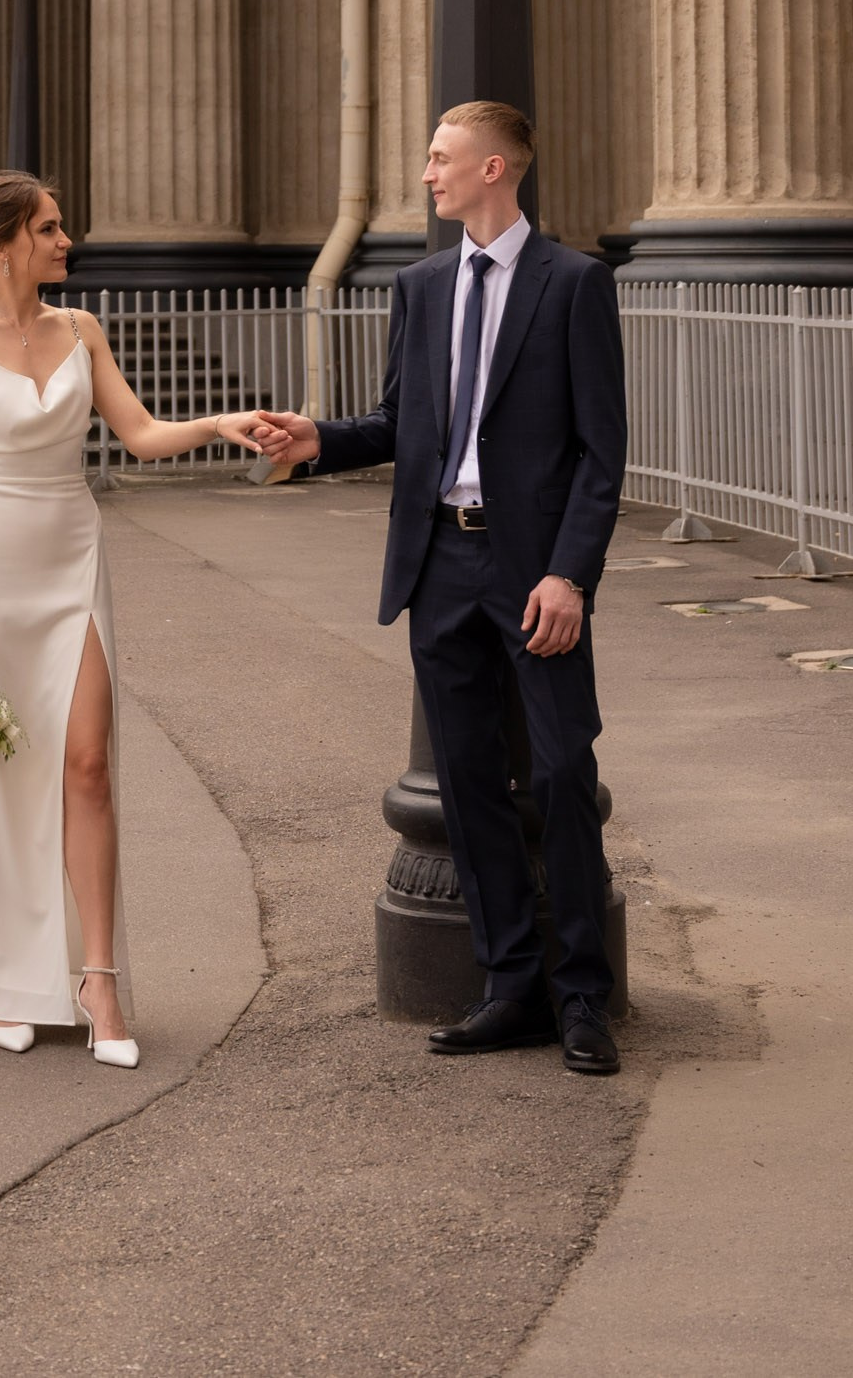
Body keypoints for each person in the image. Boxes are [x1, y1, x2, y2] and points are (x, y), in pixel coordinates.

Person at [250, 101, 627, 1076]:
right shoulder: (419, 285)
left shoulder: (573, 282)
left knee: (558, 774)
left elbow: (598, 451)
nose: (426, 173)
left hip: (533, 569)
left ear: (494, 166)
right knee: (465, 785)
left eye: (439, 157)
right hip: (440, 566)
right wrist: (318, 440)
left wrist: (567, 573)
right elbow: (396, 422)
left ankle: (583, 997)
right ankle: (509, 986)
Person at [0, 170, 272, 1064]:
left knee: (88, 765)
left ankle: (98, 981)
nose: (67, 242)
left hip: (72, 555)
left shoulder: (81, 329)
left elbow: (136, 434)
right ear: (3, 243)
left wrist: (220, 423)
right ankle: (5, 978)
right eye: (51, 229)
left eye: (63, 228)